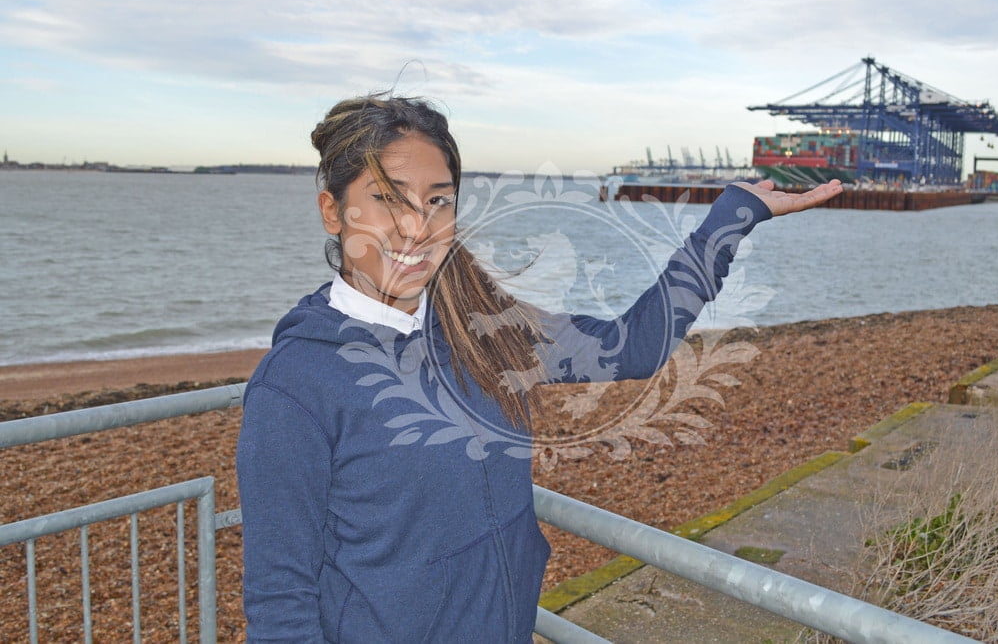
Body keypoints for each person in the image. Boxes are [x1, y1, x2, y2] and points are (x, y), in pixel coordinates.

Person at [236, 93, 842, 642]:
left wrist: (731, 219)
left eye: (438, 201)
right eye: (387, 199)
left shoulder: (485, 330)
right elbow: (281, 600)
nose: (417, 228)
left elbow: (634, 344)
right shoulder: (296, 387)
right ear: (332, 211)